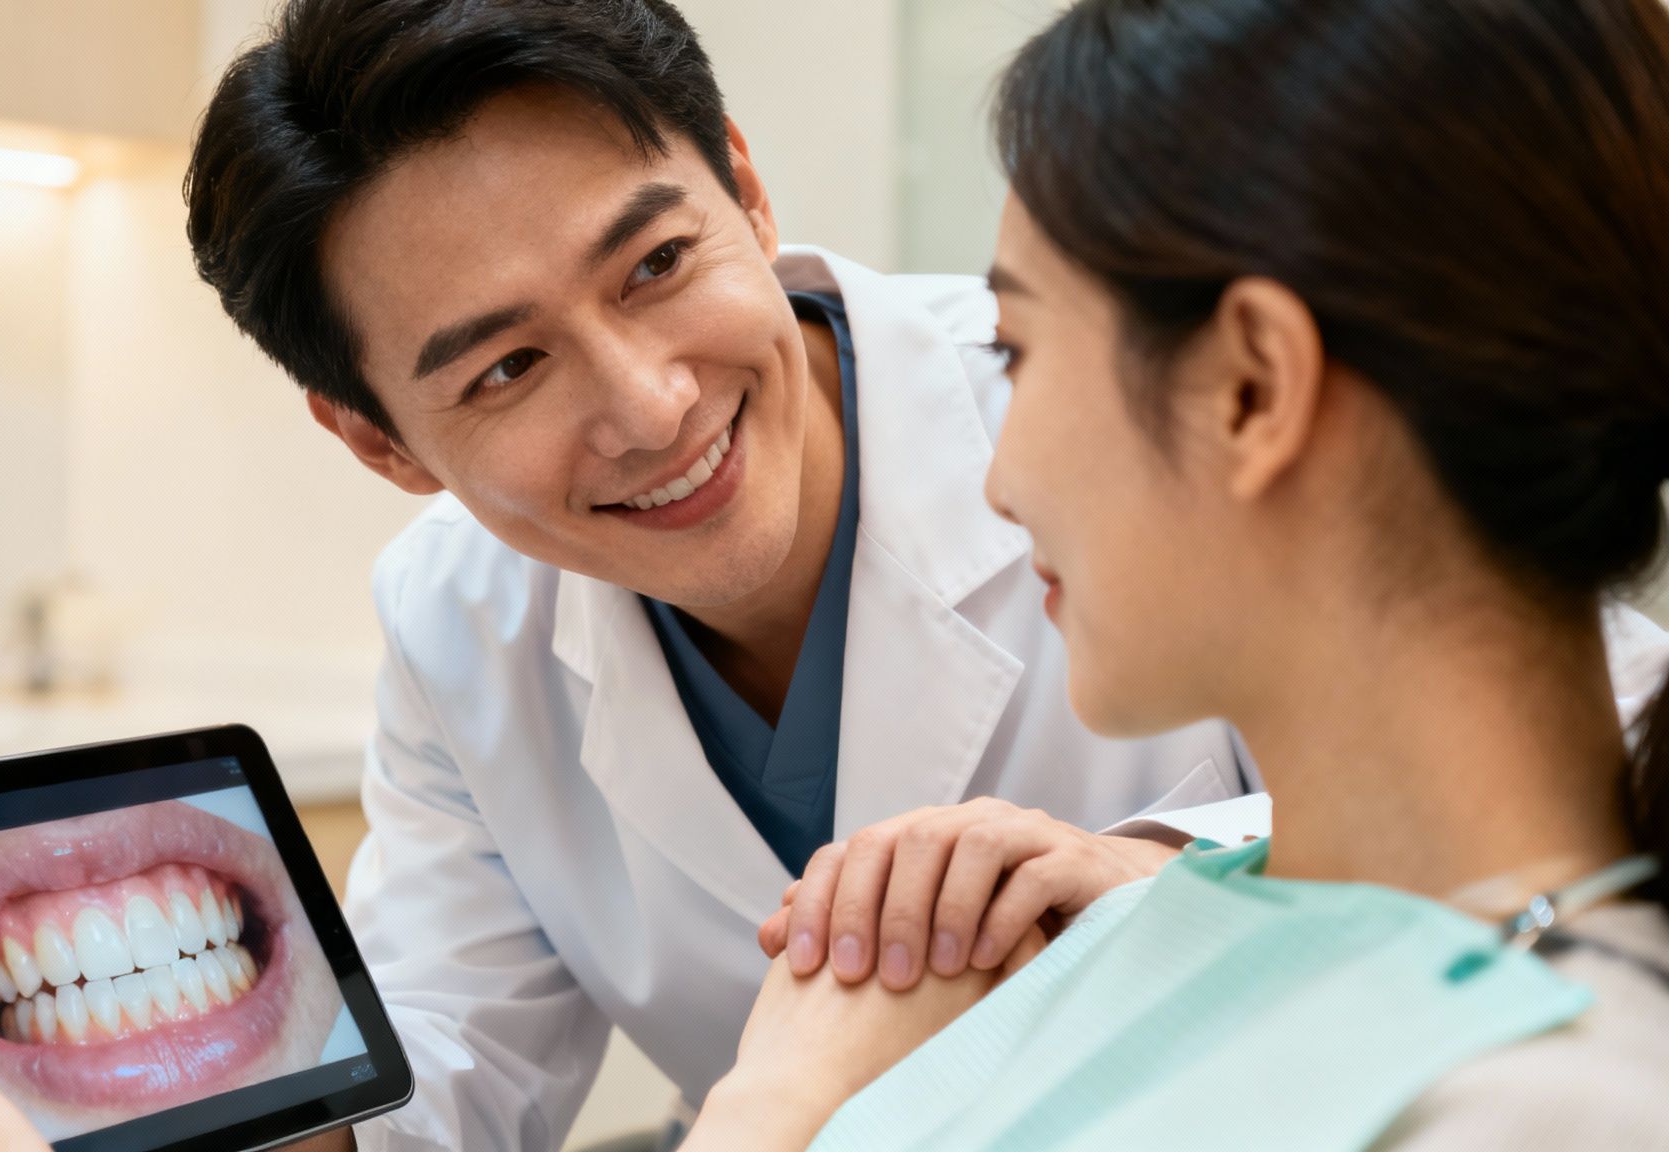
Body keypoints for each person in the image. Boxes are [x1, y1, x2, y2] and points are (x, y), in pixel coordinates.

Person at [0, 1, 1669, 1149]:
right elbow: (440, 1086)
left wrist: (1180, 883)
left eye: (651, 265)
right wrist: (185, 1110)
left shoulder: (1522, 1061)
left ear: (746, 191)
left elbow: (1545, 717)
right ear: (376, 438)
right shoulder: (458, 620)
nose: (648, 403)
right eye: (503, 369)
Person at [684, 0, 1669, 1147]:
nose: (997, 481)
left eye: (1019, 348)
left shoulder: (1543, 1100)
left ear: (1249, 388)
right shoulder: (1140, 919)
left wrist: (777, 1103)